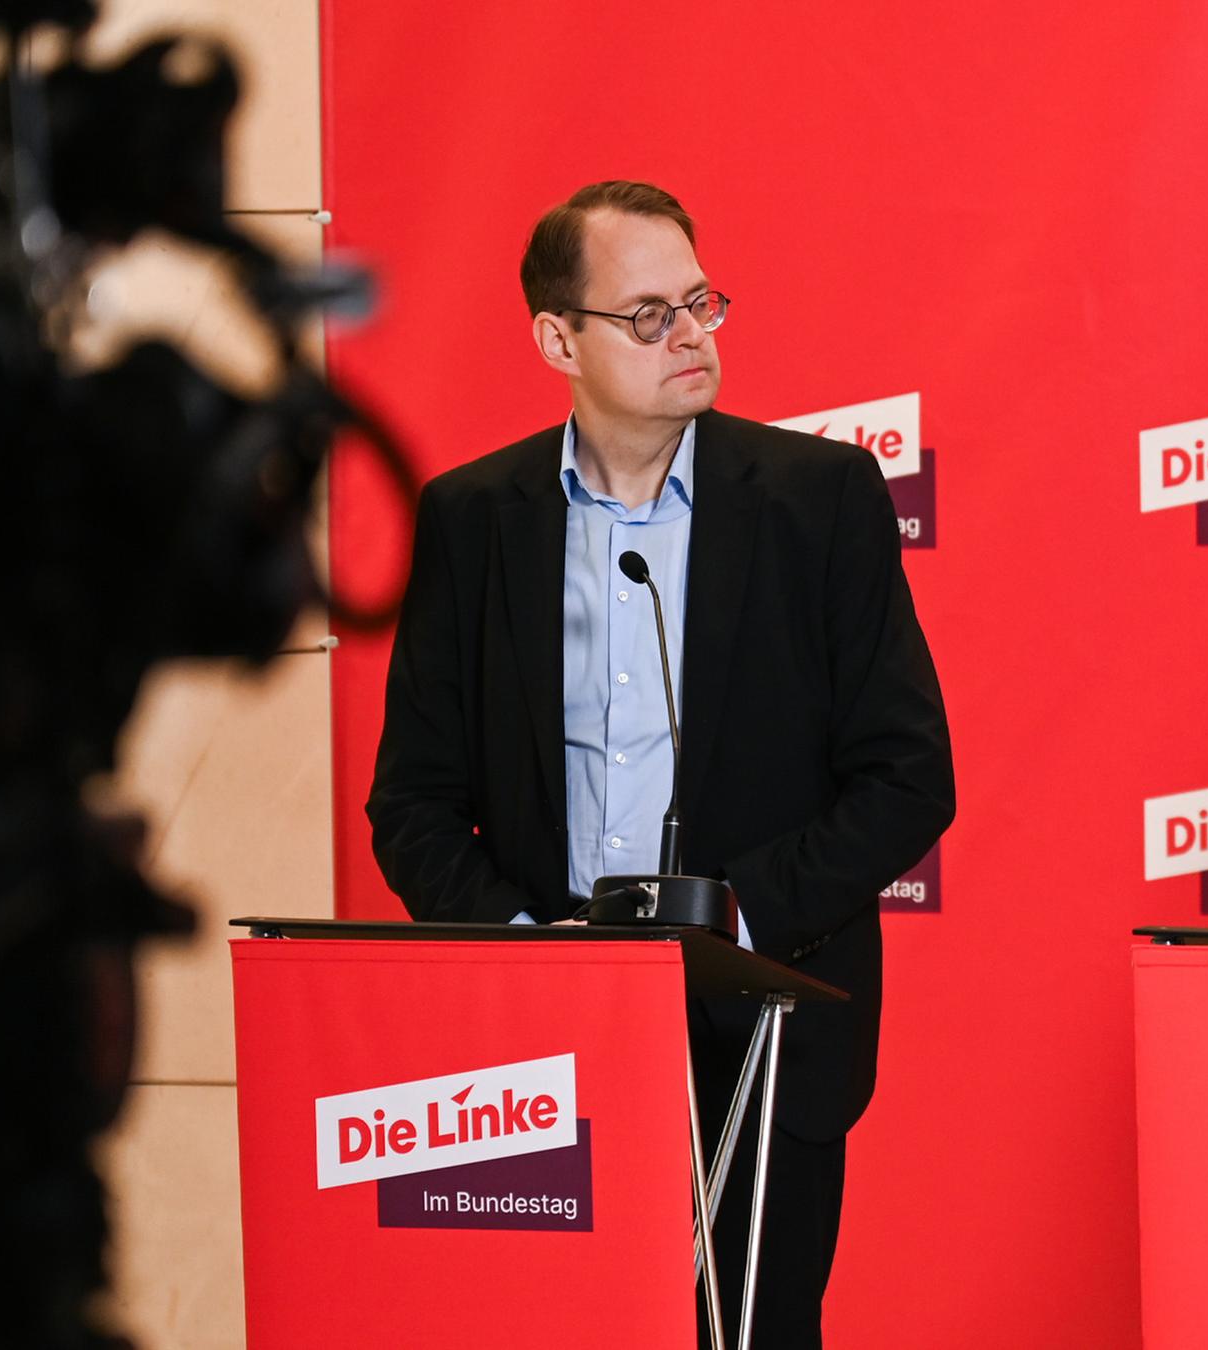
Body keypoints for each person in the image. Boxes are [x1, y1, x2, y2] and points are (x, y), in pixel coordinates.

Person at [365, 180, 956, 1348]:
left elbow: (908, 775)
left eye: (701, 303)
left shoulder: (817, 500)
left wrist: (734, 924)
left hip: (765, 1024)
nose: (690, 337)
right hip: (549, 1034)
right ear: (556, 339)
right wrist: (530, 953)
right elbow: (413, 803)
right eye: (647, 316)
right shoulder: (473, 521)